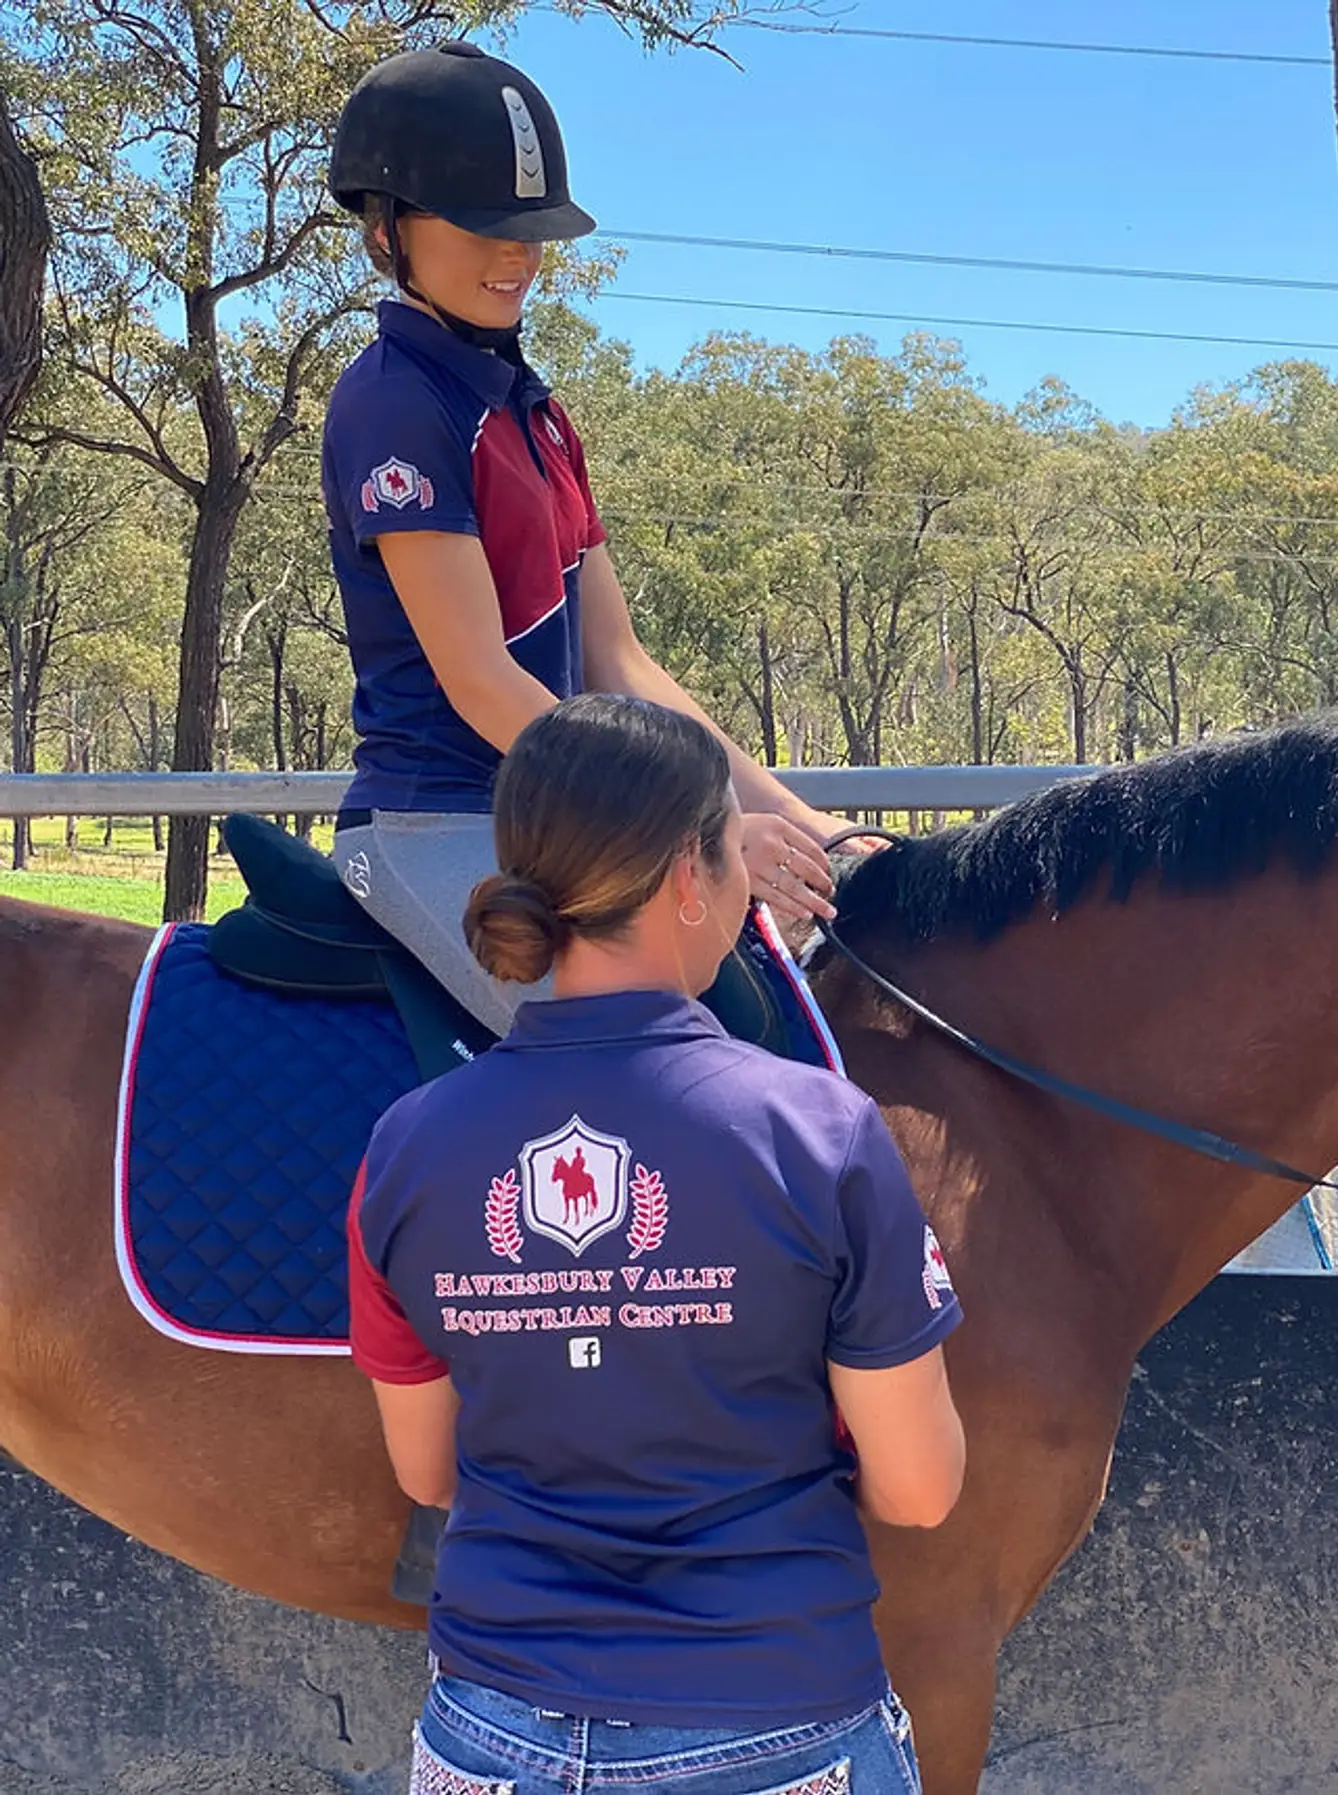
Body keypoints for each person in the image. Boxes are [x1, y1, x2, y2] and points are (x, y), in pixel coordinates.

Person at [348, 693, 966, 1794]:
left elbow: (427, 1470)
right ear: (690, 875)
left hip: (492, 1736)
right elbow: (918, 1489)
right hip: (780, 1726)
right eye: (734, 850)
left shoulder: (404, 1145)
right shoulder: (819, 1131)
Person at [322, 41, 843, 1034]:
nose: (518, 253)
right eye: (483, 223)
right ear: (387, 230)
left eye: (533, 229)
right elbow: (479, 679)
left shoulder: (539, 417)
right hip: (438, 821)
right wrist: (705, 828)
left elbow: (618, 663)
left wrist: (813, 826)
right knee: (627, 1045)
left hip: (565, 823)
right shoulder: (393, 403)